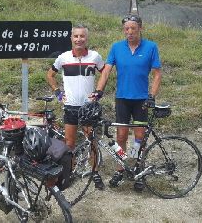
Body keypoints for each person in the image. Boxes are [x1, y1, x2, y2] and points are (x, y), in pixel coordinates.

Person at [95, 14, 162, 192]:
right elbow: (106, 71)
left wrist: (152, 96)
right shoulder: (117, 47)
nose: (130, 32)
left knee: (140, 138)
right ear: (123, 30)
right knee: (121, 137)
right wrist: (99, 91)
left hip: (141, 101)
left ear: (140, 28)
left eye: (133, 28)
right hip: (122, 99)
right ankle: (121, 167)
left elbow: (157, 74)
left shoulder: (151, 47)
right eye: (126, 29)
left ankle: (137, 168)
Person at [46, 24, 105, 190]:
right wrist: (58, 93)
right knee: (69, 143)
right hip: (70, 106)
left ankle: (95, 172)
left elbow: (105, 72)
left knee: (91, 141)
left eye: (82, 36)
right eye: (76, 36)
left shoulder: (95, 57)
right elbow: (50, 74)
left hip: (88, 107)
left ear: (87, 38)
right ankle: (69, 172)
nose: (79, 39)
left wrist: (99, 92)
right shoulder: (64, 57)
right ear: (71, 38)